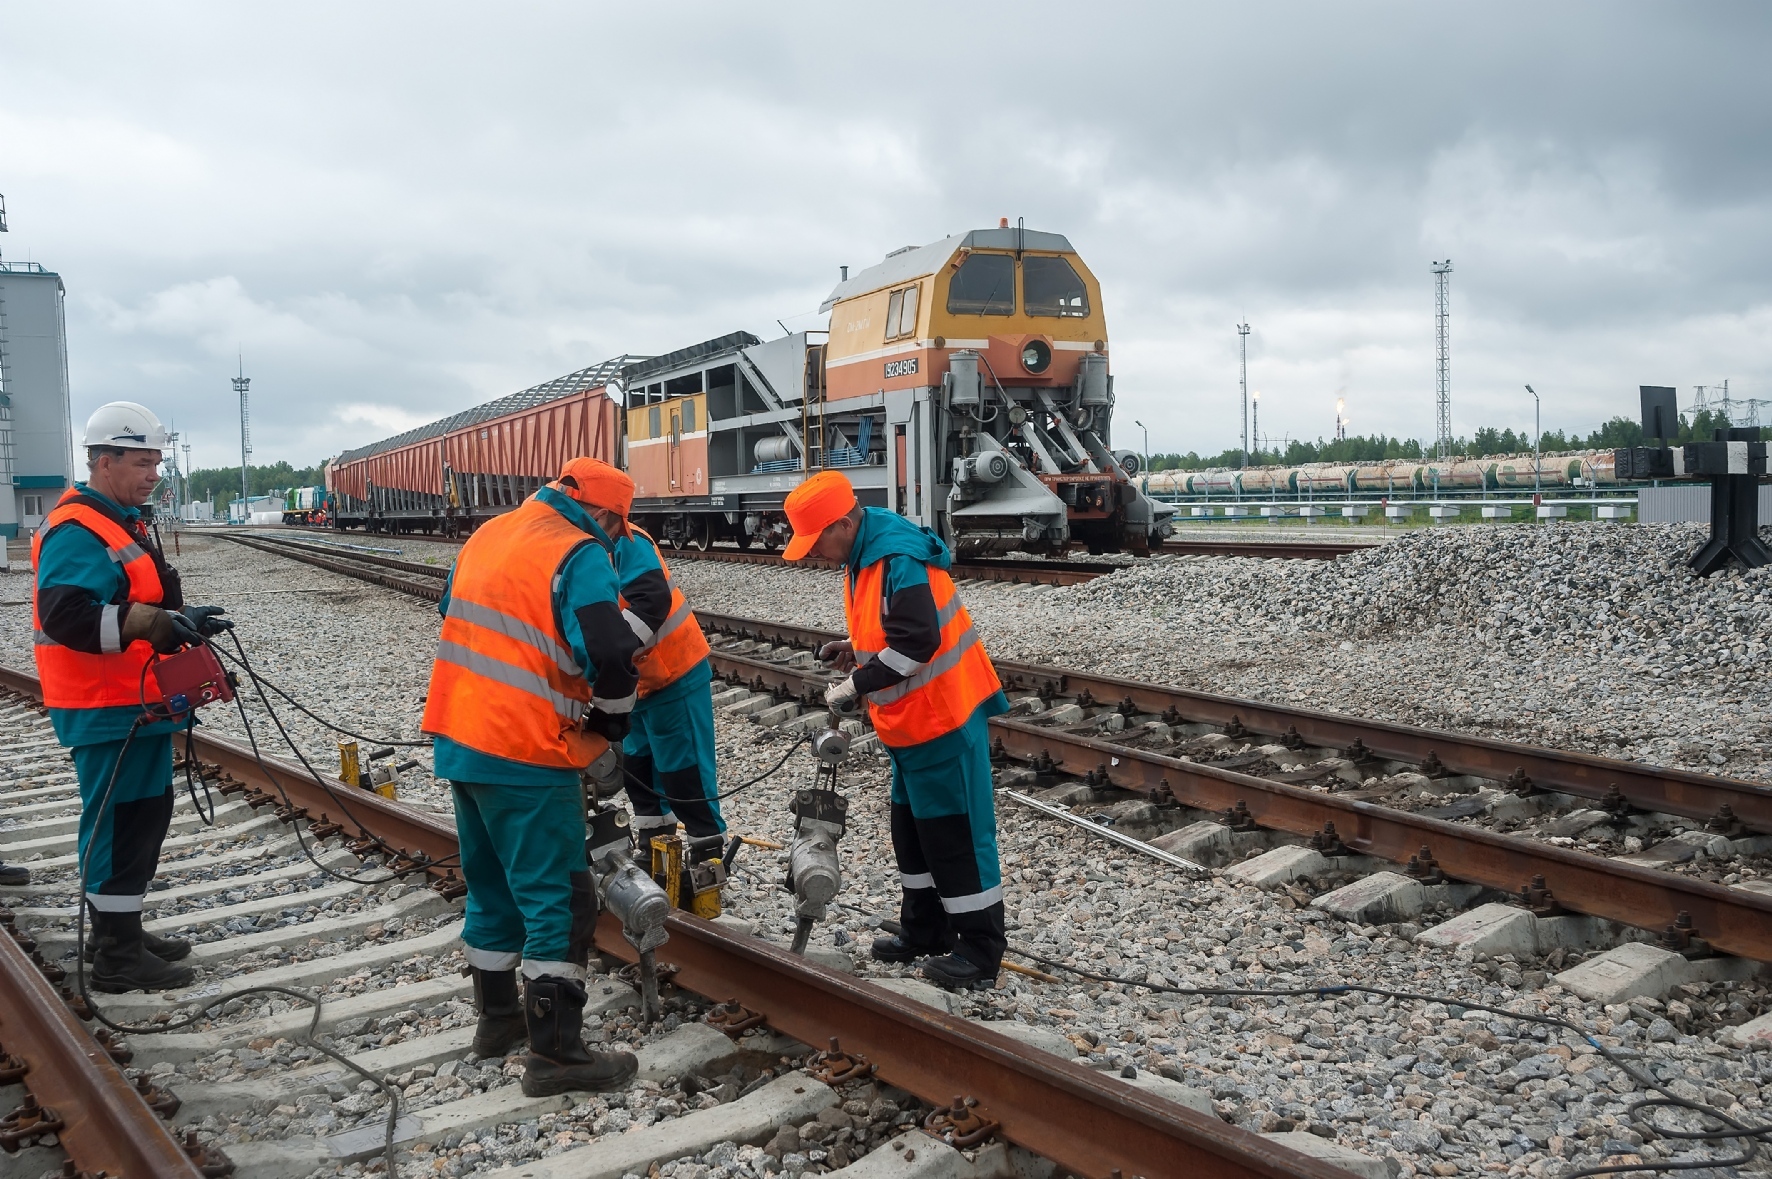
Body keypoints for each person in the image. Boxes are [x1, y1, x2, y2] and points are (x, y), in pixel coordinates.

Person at [421, 466, 644, 1096]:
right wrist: (611, 719)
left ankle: (497, 1023)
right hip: (525, 749)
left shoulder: (490, 534)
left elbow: (455, 612)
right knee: (560, 901)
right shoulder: (581, 553)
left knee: (492, 890)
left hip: (463, 738)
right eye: (617, 530)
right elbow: (609, 649)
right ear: (605, 517)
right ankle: (557, 1055)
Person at [31, 402, 233, 992]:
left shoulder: (121, 520)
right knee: (119, 820)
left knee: (145, 812)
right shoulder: (77, 529)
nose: (153, 475)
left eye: (156, 464)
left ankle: (118, 927)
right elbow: (68, 616)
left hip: (133, 700)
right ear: (103, 461)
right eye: (142, 464)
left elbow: (136, 597)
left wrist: (179, 618)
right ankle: (117, 956)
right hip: (102, 704)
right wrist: (154, 624)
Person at [782, 471, 1009, 991]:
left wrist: (856, 683)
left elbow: (916, 643)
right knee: (912, 832)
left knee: (955, 837)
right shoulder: (868, 549)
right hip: (912, 725)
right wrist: (855, 648)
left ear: (842, 523)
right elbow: (894, 628)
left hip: (941, 717)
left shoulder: (894, 557)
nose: (814, 553)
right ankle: (925, 931)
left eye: (817, 542)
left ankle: (978, 951)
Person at [549, 459, 723, 861]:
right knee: (639, 769)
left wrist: (614, 656)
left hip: (671, 673)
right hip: (631, 682)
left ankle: (706, 853)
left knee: (684, 771)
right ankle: (655, 847)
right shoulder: (576, 542)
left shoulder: (629, 543)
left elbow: (652, 599)